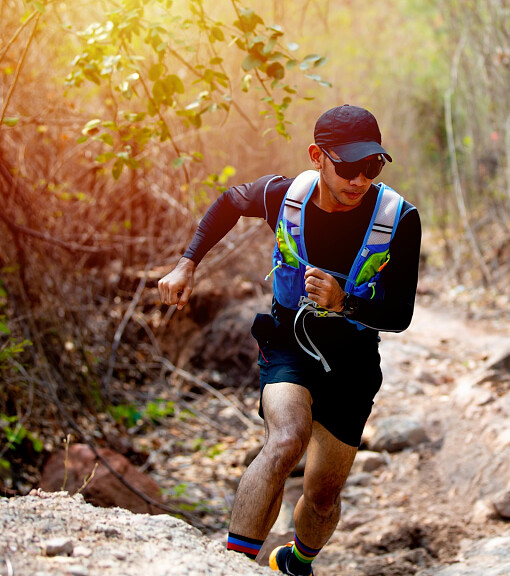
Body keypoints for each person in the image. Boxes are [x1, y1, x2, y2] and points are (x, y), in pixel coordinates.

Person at [157, 105, 421, 575]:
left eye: (373, 166)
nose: (360, 179)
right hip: (288, 343)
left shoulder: (399, 219)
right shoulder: (284, 196)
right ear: (317, 156)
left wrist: (346, 304)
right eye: (348, 166)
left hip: (353, 361)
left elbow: (400, 314)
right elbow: (229, 203)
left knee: (322, 496)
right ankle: (233, 566)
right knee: (286, 440)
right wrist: (187, 262)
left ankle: (296, 561)